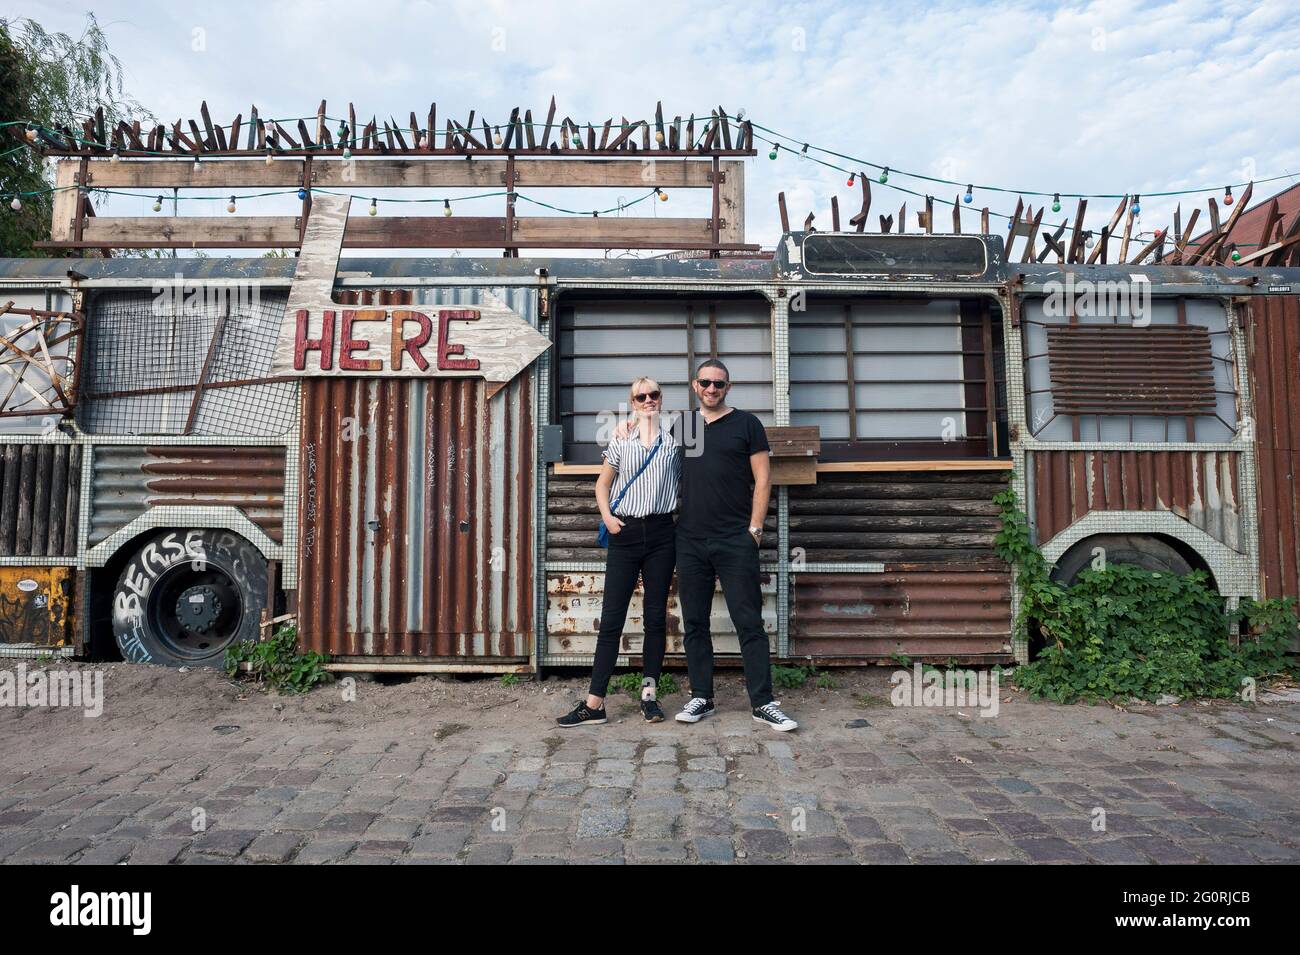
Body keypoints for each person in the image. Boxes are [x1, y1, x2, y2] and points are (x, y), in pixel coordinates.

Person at [672, 359, 797, 731]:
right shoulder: (686, 426)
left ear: (729, 387)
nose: (712, 389)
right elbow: (664, 466)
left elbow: (763, 479)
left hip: (735, 539)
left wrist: (754, 531)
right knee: (694, 621)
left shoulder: (747, 424)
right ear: (696, 386)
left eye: (719, 384)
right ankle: (701, 697)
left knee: (749, 622)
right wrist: (633, 425)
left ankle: (762, 702)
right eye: (706, 383)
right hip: (690, 538)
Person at [557, 377, 681, 727]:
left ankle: (649, 696)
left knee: (656, 617)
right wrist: (608, 518)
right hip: (625, 533)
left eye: (653, 394)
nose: (648, 400)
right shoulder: (621, 440)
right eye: (640, 396)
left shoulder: (675, 442)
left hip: (661, 532)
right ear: (632, 401)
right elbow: (602, 485)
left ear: (661, 398)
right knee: (612, 619)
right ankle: (595, 703)